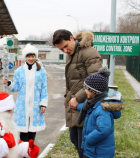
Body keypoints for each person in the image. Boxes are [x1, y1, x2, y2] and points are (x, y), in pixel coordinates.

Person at [52, 29, 102, 158]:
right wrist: (67, 96)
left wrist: (78, 98)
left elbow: (95, 79)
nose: (65, 51)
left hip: (86, 105)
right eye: (61, 50)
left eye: (65, 47)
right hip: (74, 105)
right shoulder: (71, 54)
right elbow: (72, 80)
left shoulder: (90, 53)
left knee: (85, 145)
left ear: (72, 38)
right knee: (75, 140)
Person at [2, 44, 48, 142]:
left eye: (32, 56)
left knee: (32, 130)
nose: (30, 58)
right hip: (23, 105)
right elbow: (16, 87)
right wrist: (9, 83)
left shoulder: (41, 71)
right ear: (25, 57)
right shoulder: (19, 71)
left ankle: (30, 151)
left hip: (35, 105)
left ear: (35, 57)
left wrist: (43, 104)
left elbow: (44, 89)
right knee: (23, 132)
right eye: (28, 56)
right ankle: (23, 153)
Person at [74, 67, 123, 158]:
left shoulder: (102, 109)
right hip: (94, 151)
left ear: (94, 91)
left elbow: (103, 129)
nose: (85, 90)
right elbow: (86, 108)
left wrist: (88, 139)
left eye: (86, 88)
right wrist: (76, 106)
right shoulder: (94, 103)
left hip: (98, 153)